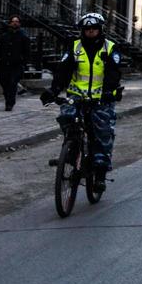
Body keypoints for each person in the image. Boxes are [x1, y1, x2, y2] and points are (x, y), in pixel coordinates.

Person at [41, 13, 123, 189]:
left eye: (94, 29)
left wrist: (109, 91)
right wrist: (53, 90)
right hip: (77, 97)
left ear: (100, 30)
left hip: (101, 98)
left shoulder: (110, 48)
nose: (90, 32)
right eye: (87, 29)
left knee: (102, 133)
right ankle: (70, 151)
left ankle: (100, 174)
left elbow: (113, 73)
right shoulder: (75, 47)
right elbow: (63, 70)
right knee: (67, 118)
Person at [0, 15, 30, 110]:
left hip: (16, 65)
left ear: (19, 23)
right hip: (4, 64)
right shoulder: (4, 37)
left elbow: (27, 52)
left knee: (13, 83)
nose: (15, 23)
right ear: (10, 23)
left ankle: (10, 103)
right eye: (13, 21)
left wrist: (23, 61)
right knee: (4, 82)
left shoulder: (23, 37)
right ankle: (8, 99)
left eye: (17, 21)